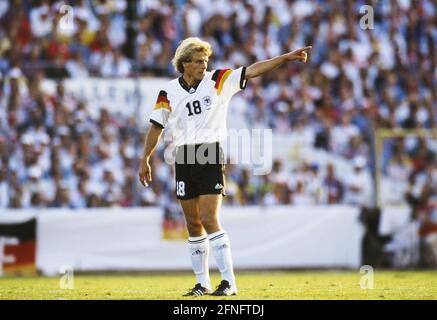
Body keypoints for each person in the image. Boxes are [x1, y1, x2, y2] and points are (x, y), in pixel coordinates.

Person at [139, 37, 311, 296]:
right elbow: (156, 127)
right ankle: (202, 283)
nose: (203, 65)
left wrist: (285, 57)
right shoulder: (168, 91)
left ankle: (229, 282)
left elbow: (253, 69)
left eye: (205, 60)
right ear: (185, 63)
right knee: (193, 224)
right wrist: (145, 158)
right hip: (183, 157)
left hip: (209, 153)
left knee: (209, 219)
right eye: (198, 61)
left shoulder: (218, 80)